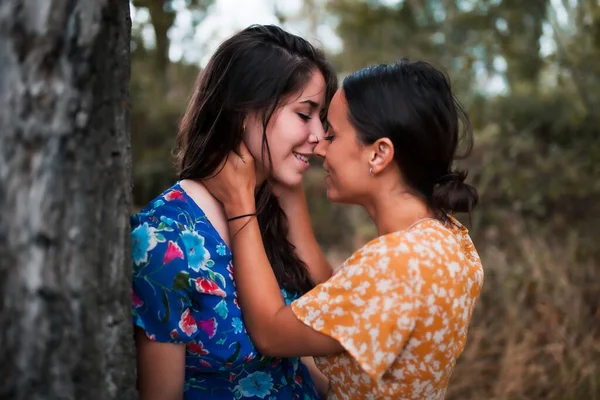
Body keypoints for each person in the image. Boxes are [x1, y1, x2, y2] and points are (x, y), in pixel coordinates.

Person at [203, 59, 485, 400]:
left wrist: (239, 204)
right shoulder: (448, 238)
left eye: (332, 136)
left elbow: (270, 332)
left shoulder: (397, 262)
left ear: (379, 154)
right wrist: (290, 189)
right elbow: (339, 299)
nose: (320, 147)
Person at [131, 24, 337, 399]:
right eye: (304, 114)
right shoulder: (162, 240)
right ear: (245, 111)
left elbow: (313, 343)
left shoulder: (272, 206)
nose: (319, 136)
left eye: (320, 118)